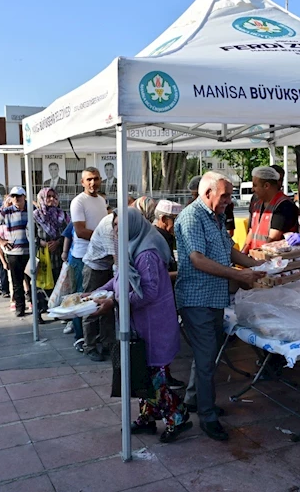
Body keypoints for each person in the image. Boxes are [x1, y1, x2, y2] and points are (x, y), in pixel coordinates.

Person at [175, 171, 265, 441]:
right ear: (207, 193)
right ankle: (207, 416)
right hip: (197, 299)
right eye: (225, 195)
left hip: (214, 298)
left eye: (230, 195)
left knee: (207, 355)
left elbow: (229, 251)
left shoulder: (214, 216)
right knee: (206, 358)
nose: (229, 200)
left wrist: (258, 266)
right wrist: (239, 275)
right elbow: (198, 259)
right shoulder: (191, 216)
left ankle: (194, 399)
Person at [92, 209, 193, 443]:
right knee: (140, 373)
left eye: (120, 225)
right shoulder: (131, 247)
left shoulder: (146, 254)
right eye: (114, 225)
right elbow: (120, 279)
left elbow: (148, 292)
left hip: (153, 326)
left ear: (133, 225)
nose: (116, 230)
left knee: (153, 377)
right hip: (140, 325)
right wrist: (98, 292)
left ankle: (178, 416)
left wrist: (115, 301)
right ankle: (147, 417)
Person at [68, 168, 108, 351]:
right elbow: (80, 231)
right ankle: (83, 340)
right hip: (83, 258)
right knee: (84, 301)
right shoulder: (78, 201)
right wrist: (105, 238)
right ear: (82, 182)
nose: (93, 183)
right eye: (89, 179)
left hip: (102, 257)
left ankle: (99, 339)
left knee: (100, 300)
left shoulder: (101, 200)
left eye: (96, 179)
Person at [0, 187, 31, 317]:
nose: (16, 199)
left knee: (33, 282)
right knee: (17, 283)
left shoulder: (31, 209)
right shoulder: (6, 211)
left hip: (30, 251)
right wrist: (0, 240)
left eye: (18, 196)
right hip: (14, 252)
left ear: (24, 197)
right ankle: (20, 307)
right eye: (13, 196)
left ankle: (36, 306)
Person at [81, 211, 117, 361]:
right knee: (90, 306)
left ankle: (107, 343)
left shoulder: (118, 222)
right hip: (94, 268)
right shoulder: (109, 227)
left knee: (107, 309)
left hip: (106, 267)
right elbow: (117, 260)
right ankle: (89, 346)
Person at [32, 187, 69, 323]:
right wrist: (43, 243)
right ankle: (39, 312)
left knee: (58, 284)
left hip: (58, 255)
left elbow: (68, 232)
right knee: (40, 285)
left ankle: (57, 311)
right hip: (42, 255)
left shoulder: (62, 215)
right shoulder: (35, 215)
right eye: (48, 196)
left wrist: (58, 242)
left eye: (54, 196)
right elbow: (30, 234)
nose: (52, 199)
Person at [242, 166, 298, 253]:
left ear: (266, 186)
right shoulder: (257, 203)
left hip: (276, 258)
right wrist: (244, 252)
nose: (252, 189)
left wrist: (257, 255)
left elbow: (273, 238)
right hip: (258, 256)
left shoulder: (284, 205)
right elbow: (252, 231)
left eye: (255, 185)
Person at [153, 199, 182, 276]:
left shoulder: (168, 236)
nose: (179, 224)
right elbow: (156, 275)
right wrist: (181, 274)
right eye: (176, 220)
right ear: (164, 219)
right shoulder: (155, 239)